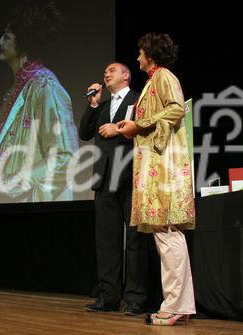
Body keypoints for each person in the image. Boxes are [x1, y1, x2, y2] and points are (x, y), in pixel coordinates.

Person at [116, 33, 196, 326]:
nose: (137, 58)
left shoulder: (163, 76)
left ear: (150, 54)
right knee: (167, 234)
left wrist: (140, 124)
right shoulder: (154, 80)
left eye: (140, 53)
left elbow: (176, 109)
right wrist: (135, 128)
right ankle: (181, 303)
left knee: (167, 233)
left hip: (163, 167)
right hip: (154, 165)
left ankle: (175, 304)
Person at [0, 1, 79, 203]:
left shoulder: (45, 86)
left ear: (23, 43)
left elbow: (65, 159)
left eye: (7, 36)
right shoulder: (15, 89)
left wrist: (4, 187)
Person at [79, 62, 152, 314]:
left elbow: (146, 130)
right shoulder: (102, 106)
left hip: (131, 177)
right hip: (104, 179)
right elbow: (84, 133)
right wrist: (93, 104)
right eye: (105, 71)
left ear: (126, 75)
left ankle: (135, 298)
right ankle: (109, 296)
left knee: (135, 241)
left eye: (112, 70)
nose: (106, 73)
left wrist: (117, 131)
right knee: (107, 241)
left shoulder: (138, 98)